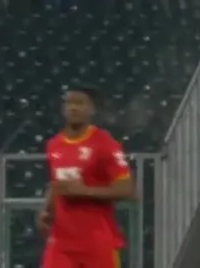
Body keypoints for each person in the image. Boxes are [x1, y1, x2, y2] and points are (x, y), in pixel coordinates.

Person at [40, 86, 134, 268]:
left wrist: (84, 191)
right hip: (61, 242)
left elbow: (126, 189)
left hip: (97, 241)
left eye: (80, 103)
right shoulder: (54, 144)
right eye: (69, 103)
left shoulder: (105, 143)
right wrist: (46, 210)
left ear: (92, 109)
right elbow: (57, 183)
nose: (73, 108)